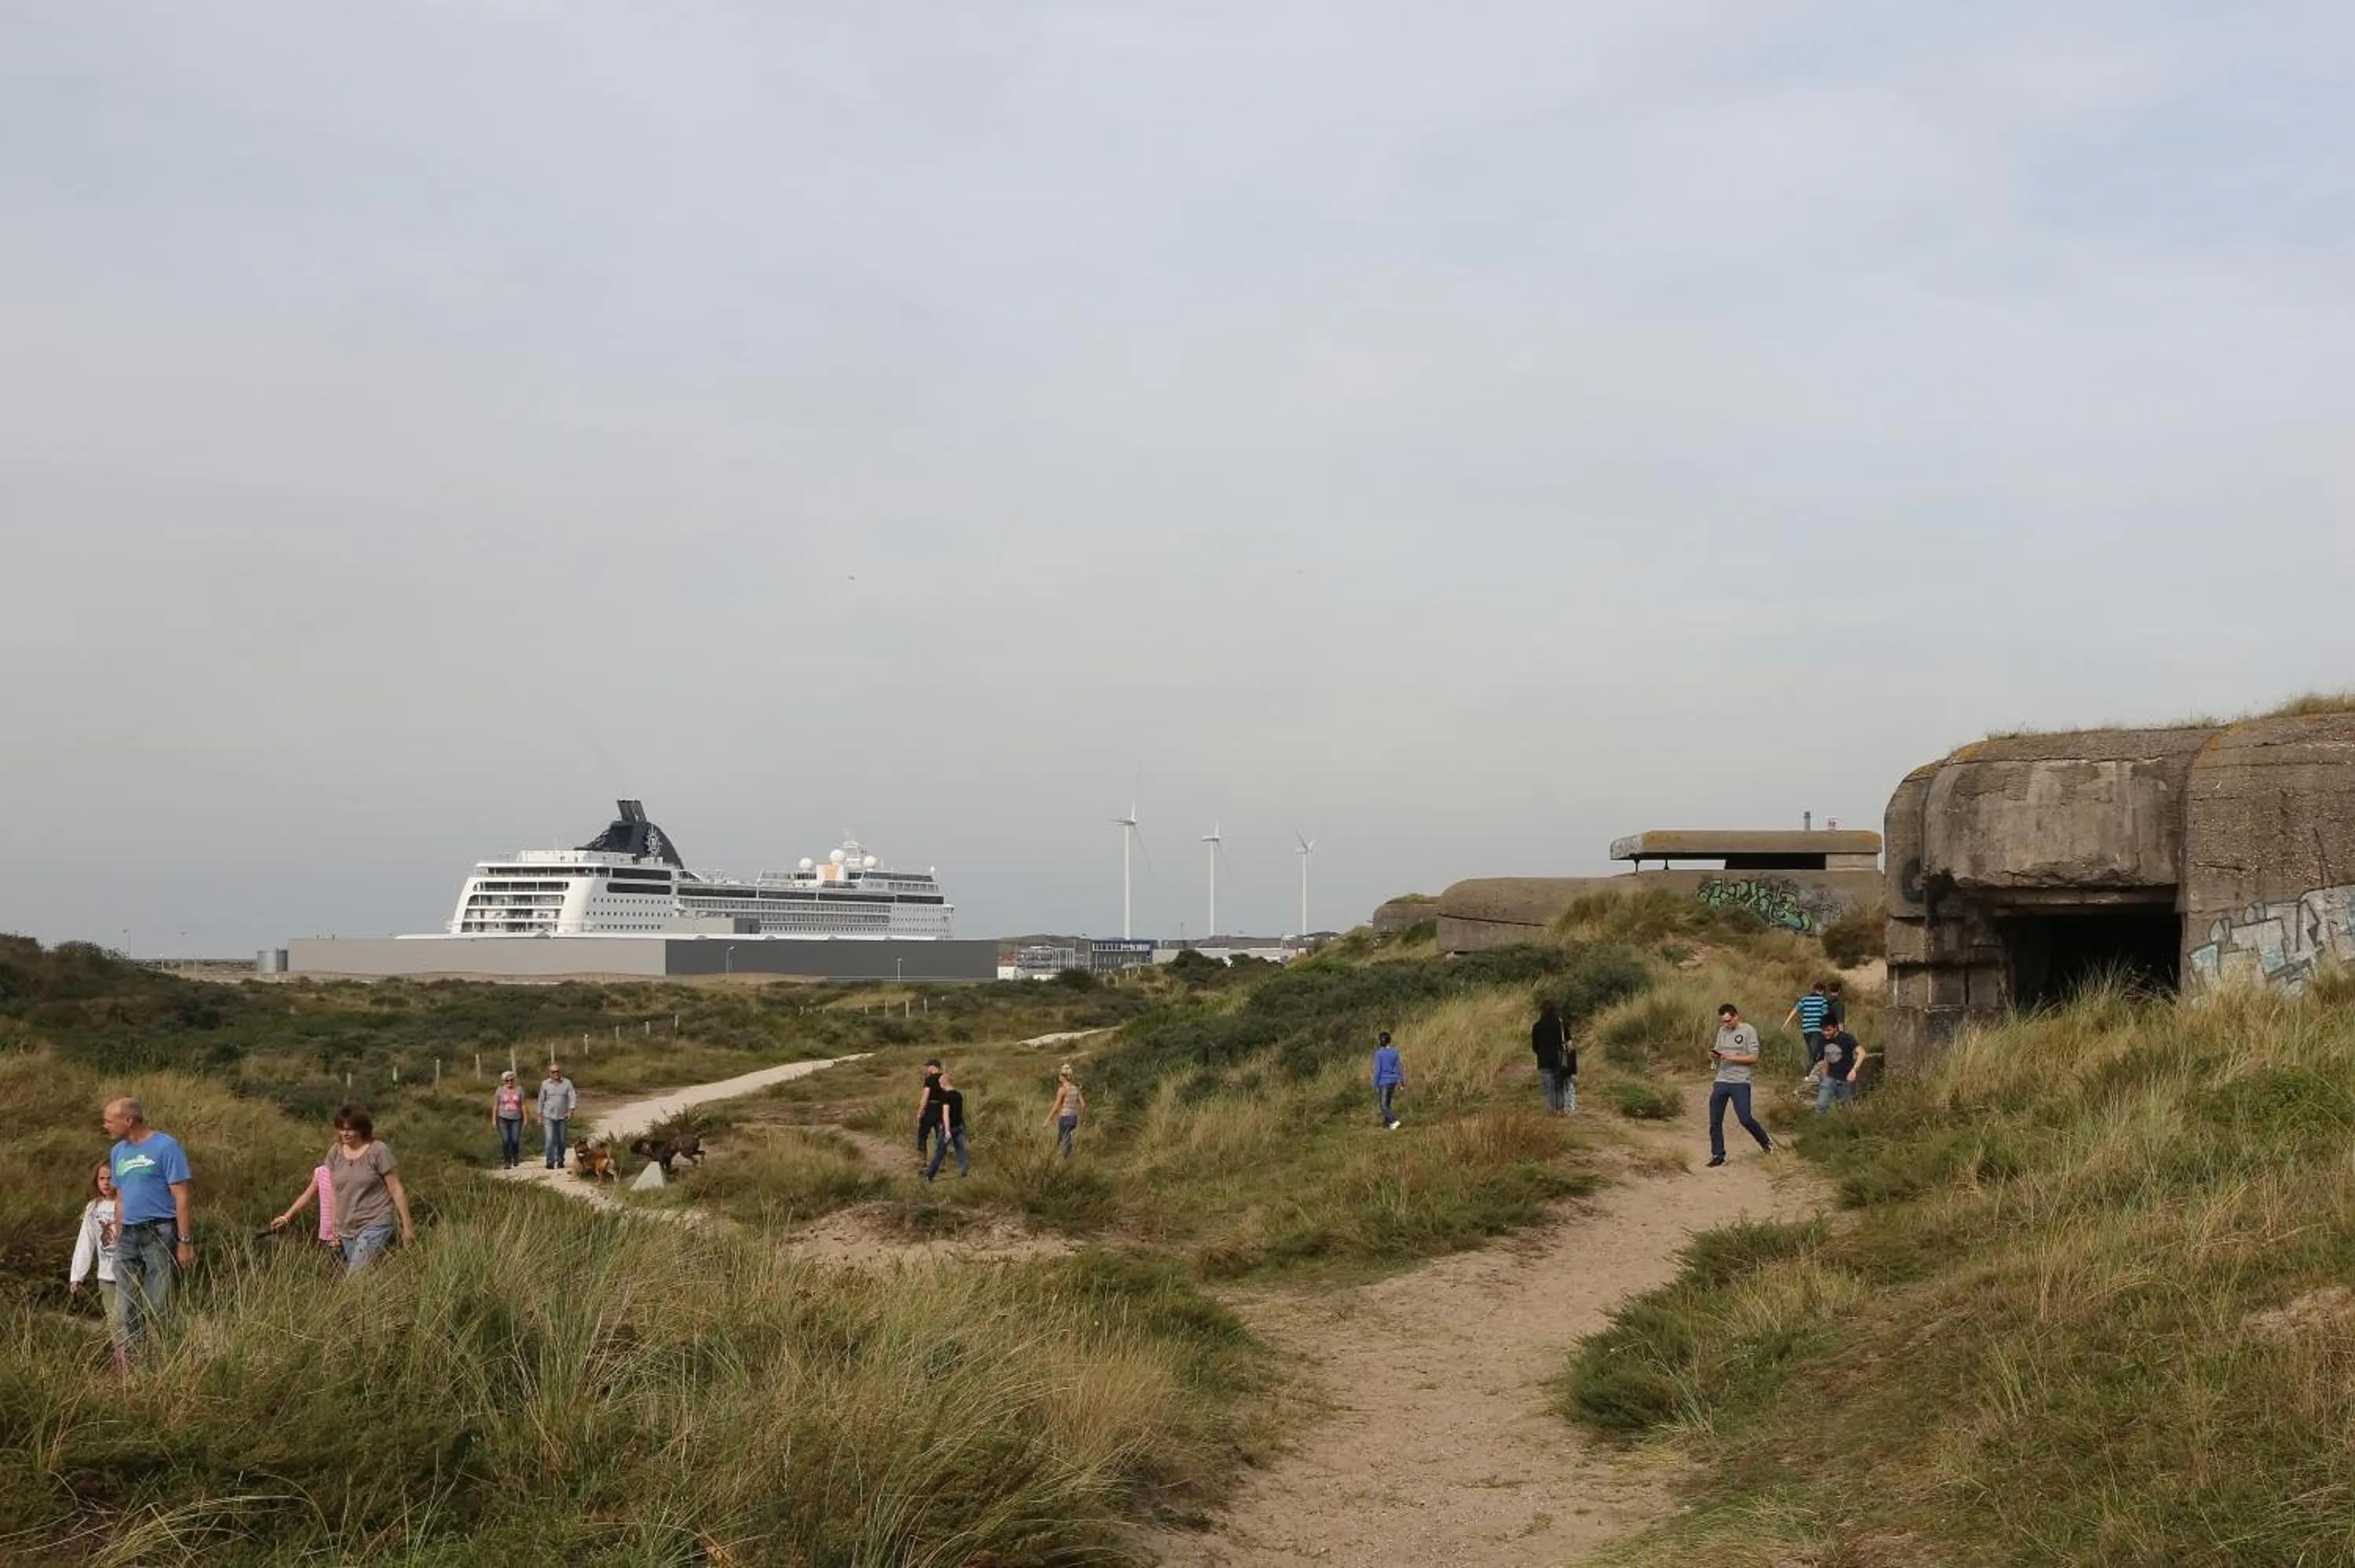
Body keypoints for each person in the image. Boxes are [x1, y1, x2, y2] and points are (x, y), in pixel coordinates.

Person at [272, 1104, 415, 1274]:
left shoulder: (378, 1151)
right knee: (366, 1276)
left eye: (350, 1129)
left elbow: (396, 1189)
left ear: (362, 1129)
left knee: (356, 1276)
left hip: (375, 1221)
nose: (345, 1133)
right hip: (346, 1227)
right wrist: (333, 1228)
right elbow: (334, 1193)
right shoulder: (335, 1152)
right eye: (341, 1129)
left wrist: (407, 1226)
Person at [102, 1096, 193, 1355]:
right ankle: (137, 1362)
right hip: (128, 1235)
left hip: (159, 1232)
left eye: (109, 1121)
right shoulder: (117, 1152)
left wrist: (185, 1242)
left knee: (159, 1305)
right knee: (126, 1307)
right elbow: (120, 1199)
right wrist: (119, 1236)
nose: (105, 1126)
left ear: (129, 1120)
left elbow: (182, 1196)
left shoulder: (166, 1146)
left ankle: (173, 1358)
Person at [1707, 1004, 1775, 1167]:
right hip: (1722, 1079)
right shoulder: (1722, 1031)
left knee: (1745, 1118)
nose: (1726, 1024)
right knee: (1715, 1120)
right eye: (1723, 1021)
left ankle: (1766, 1142)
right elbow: (1718, 1050)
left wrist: (1732, 1058)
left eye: (1728, 1021)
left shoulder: (1748, 1031)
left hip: (1740, 1081)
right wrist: (1714, 1055)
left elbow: (1754, 1058)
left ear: (1736, 1016)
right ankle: (1718, 1155)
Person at [68, 1161, 122, 1348]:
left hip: (128, 1274)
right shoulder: (93, 1208)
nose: (106, 1183)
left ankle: (138, 1358)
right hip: (106, 1276)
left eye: (110, 1178)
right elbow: (86, 1242)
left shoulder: (127, 1204)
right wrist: (77, 1276)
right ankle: (122, 1361)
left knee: (127, 1319)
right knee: (114, 1323)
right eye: (102, 1178)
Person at [1531, 1001, 1577, 1116]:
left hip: (1544, 1060)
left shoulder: (1537, 1026)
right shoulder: (1561, 1024)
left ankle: (1551, 1111)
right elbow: (1569, 1042)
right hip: (1559, 1059)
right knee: (1559, 1086)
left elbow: (1535, 1047)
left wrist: (1541, 1053)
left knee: (1548, 1088)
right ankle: (1560, 1109)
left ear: (1541, 1011)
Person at [924, 1070, 969, 1180]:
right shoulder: (959, 1095)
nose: (939, 1085)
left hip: (949, 1128)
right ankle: (964, 1172)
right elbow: (959, 1112)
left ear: (944, 1083)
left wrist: (947, 1131)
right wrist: (963, 1127)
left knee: (940, 1152)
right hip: (959, 1127)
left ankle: (929, 1175)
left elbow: (946, 1115)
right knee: (960, 1150)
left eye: (940, 1083)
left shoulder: (945, 1097)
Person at [533, 1062, 577, 1169]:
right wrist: (539, 1115)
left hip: (563, 1116)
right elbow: (541, 1100)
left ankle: (560, 1159)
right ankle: (550, 1161)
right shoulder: (545, 1084)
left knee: (561, 1140)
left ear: (560, 1072)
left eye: (557, 1071)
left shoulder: (567, 1083)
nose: (556, 1073)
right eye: (553, 1072)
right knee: (549, 1139)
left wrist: (571, 1111)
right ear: (550, 1073)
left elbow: (573, 1097)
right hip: (549, 1116)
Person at [1816, 1024, 1868, 1114]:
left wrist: (1854, 1070)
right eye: (1823, 1030)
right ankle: (1818, 1121)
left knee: (1846, 1111)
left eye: (1828, 1030)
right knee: (1821, 1106)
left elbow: (1862, 1053)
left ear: (1835, 1028)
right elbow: (1827, 1057)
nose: (1826, 1033)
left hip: (1845, 1079)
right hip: (1830, 1078)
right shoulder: (1824, 1039)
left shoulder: (1846, 1038)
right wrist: (1824, 1075)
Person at [1784, 983, 1831, 1078]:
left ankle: (1814, 1073)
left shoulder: (1805, 999)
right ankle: (1808, 1075)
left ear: (1814, 990)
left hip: (1806, 1030)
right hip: (1817, 1030)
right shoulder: (1823, 1001)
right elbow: (1825, 1016)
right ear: (1822, 991)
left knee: (1812, 1051)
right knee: (1814, 1053)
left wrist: (1786, 1023)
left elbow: (1795, 1010)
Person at [1046, 1063, 1086, 1160]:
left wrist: (1048, 1120)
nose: (1059, 1077)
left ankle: (1066, 1160)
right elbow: (1083, 1105)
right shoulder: (1076, 1089)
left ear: (1063, 1077)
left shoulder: (1062, 1090)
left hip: (1064, 1117)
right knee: (1067, 1138)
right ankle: (1067, 1158)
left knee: (1063, 1139)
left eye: (1060, 1075)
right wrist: (1084, 1118)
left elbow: (1056, 1106)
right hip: (1073, 1118)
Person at [491, 1069, 526, 1169]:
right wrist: (494, 1120)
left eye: (511, 1080)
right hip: (503, 1118)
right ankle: (507, 1161)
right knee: (506, 1140)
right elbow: (496, 1105)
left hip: (516, 1118)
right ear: (504, 1081)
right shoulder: (500, 1090)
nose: (510, 1082)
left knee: (515, 1140)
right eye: (507, 1081)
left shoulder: (519, 1089)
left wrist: (525, 1118)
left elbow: (523, 1105)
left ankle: (515, 1156)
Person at [1371, 1031, 1405, 1129]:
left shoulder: (1379, 1054)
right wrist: (1402, 1081)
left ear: (1380, 1042)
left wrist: (1375, 1084)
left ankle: (1394, 1120)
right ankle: (1387, 1125)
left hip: (1384, 1082)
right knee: (1388, 1104)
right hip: (1393, 1081)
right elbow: (1399, 1068)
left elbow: (1378, 1071)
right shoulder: (1395, 1052)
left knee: (1383, 1106)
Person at [915, 1059, 944, 1166]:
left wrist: (920, 1112)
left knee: (922, 1134)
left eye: (928, 1067)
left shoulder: (929, 1080)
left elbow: (925, 1097)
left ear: (932, 1067)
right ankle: (941, 1162)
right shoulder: (945, 1078)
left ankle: (922, 1160)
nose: (927, 1069)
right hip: (943, 1109)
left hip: (931, 1108)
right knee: (940, 1136)